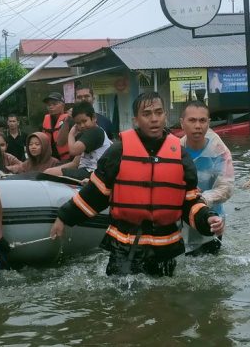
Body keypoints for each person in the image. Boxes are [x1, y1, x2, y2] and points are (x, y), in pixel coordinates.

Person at [49, 92, 224, 277]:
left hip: (164, 249)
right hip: (124, 247)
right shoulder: (117, 152)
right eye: (147, 114)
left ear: (166, 115)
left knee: (164, 301)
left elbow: (189, 202)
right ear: (136, 120)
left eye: (158, 112)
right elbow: (95, 194)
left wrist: (207, 218)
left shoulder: (180, 156)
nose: (154, 119)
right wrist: (64, 218)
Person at [178, 100, 234, 256]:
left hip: (212, 219)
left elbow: (227, 188)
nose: (198, 125)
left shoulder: (219, 152)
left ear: (209, 123)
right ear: (182, 123)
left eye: (202, 120)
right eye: (192, 120)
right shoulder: (174, 150)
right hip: (183, 219)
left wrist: (201, 199)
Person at [45, 101, 112, 181]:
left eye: (84, 121)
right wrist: (53, 170)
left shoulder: (95, 131)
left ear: (94, 118)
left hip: (93, 173)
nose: (82, 126)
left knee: (49, 173)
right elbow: (75, 163)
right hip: (85, 171)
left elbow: (73, 151)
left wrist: (71, 134)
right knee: (48, 172)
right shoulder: (87, 135)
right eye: (78, 123)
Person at [42, 92, 71, 161]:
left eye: (54, 104)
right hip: (49, 159)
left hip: (67, 159)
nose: (51, 107)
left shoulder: (70, 119)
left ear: (63, 105)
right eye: (49, 105)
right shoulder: (45, 120)